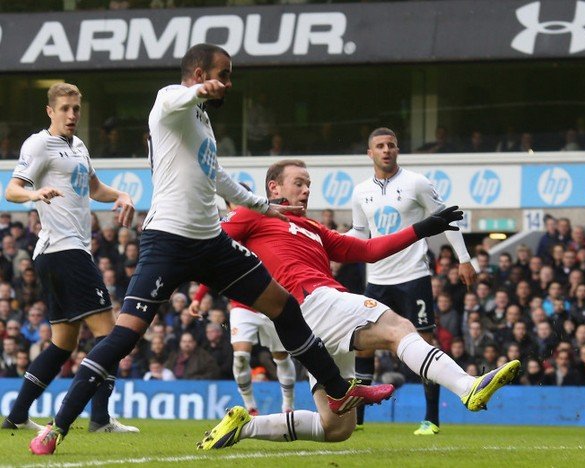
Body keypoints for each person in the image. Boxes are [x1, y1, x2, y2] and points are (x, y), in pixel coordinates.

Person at [29, 44, 392, 456]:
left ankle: (338, 391)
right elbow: (175, 99)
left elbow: (217, 176)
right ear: (201, 74)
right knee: (123, 337)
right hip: (168, 240)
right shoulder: (170, 101)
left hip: (211, 241)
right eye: (224, 74)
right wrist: (200, 91)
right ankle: (56, 428)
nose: (229, 83)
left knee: (283, 306)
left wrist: (263, 206)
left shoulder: (201, 121)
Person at [194, 159, 518, 450]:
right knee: (398, 328)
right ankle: (466, 386)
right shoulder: (254, 213)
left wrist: (423, 229)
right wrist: (204, 289)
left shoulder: (314, 228)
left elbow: (369, 251)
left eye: (309, 184)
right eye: (298, 183)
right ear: (273, 187)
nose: (306, 190)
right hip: (314, 302)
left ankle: (245, 426)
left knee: (336, 428)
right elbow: (209, 242)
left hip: (311, 324)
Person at [1, 83, 138, 435]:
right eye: (64, 108)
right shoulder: (38, 144)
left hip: (58, 254)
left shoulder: (78, 147)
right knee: (111, 336)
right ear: (50, 111)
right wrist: (35, 193)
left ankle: (17, 415)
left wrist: (121, 195)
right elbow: (12, 190)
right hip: (65, 251)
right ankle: (100, 418)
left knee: (63, 343)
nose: (71, 115)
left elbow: (95, 189)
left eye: (76, 108)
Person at [349, 127, 477, 435]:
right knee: (363, 346)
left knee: (423, 345)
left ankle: (431, 419)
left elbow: (446, 218)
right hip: (377, 278)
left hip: (413, 276)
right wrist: (329, 248)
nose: (386, 150)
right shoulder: (360, 191)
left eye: (391, 145)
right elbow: (359, 232)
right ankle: (358, 420)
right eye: (380, 146)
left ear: (397, 149)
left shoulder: (417, 183)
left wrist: (464, 258)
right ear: (370, 153)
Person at [199, 185, 298, 415]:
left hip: (271, 300)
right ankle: (250, 408)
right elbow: (213, 265)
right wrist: (198, 297)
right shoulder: (225, 233)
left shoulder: (262, 221)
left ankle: (288, 407)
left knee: (281, 356)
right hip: (243, 303)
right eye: (238, 199)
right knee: (241, 356)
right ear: (229, 204)